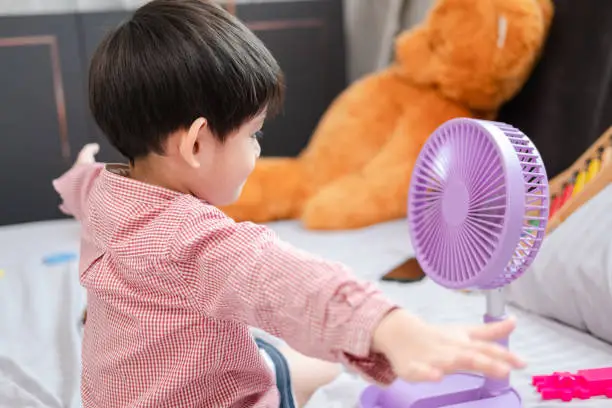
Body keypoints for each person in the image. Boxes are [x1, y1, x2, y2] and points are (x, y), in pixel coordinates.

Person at [53, 1, 525, 407]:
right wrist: (394, 327)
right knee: (311, 365)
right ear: (197, 145)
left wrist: (81, 169)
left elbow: (76, 184)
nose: (258, 150)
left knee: (264, 344)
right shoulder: (199, 243)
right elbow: (289, 282)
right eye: (253, 134)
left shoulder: (101, 189)